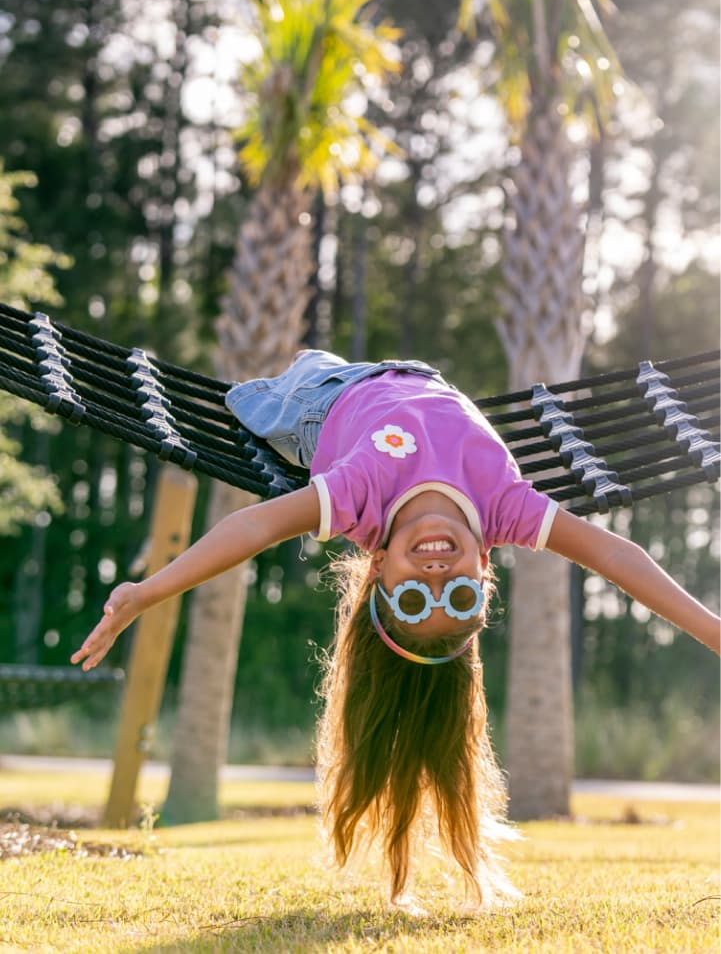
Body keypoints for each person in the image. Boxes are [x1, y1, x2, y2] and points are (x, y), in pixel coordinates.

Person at [71, 349, 720, 908]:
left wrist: (147, 590)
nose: (435, 575)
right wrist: (713, 632)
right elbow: (614, 557)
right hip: (422, 377)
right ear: (487, 566)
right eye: (458, 592)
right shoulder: (504, 504)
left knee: (279, 388)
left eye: (411, 598)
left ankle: (281, 388)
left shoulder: (360, 494)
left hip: (321, 403)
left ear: (375, 566)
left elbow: (252, 528)